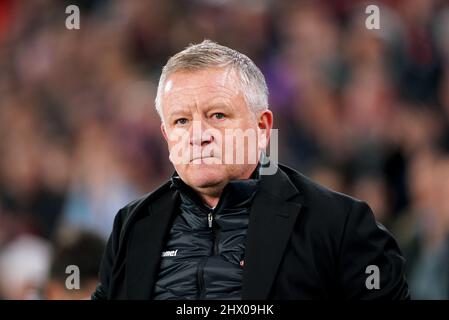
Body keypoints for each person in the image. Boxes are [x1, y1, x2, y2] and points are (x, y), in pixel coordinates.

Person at [92, 40, 410, 300]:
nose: (198, 135)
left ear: (262, 127)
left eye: (217, 115)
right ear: (166, 136)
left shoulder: (339, 226)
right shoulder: (132, 226)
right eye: (181, 121)